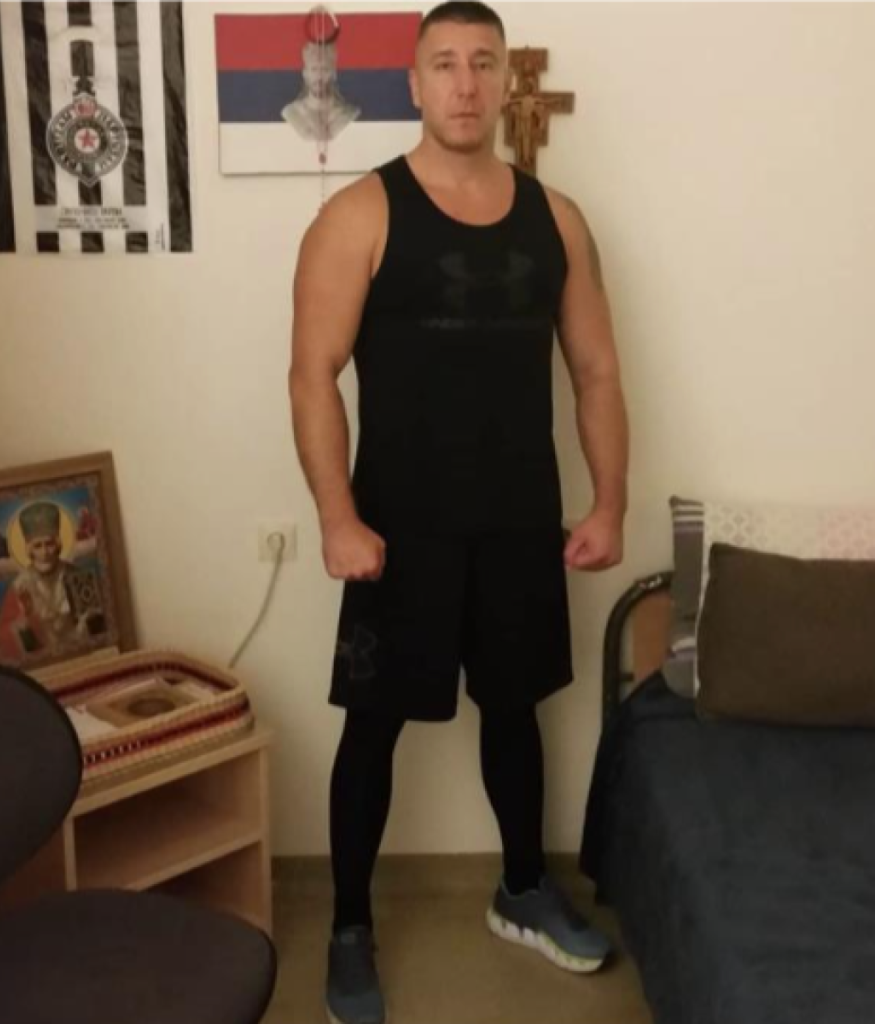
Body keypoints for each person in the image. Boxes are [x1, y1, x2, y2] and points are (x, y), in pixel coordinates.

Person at [288, 3, 629, 1022]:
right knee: (373, 726)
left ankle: (521, 887)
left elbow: (596, 370)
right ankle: (349, 926)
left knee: (516, 710)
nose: (466, 83)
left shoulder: (557, 218)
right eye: (445, 63)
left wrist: (608, 502)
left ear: (505, 78)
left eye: (484, 62)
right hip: (398, 530)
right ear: (414, 82)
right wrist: (337, 518)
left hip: (520, 518)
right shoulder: (359, 214)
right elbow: (312, 375)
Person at [0, 501, 101, 660]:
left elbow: (98, 629)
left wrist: (86, 624)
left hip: (81, 658)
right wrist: (25, 623)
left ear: (58, 544)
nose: (44, 552)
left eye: (49, 544)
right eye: (37, 546)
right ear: (29, 550)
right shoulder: (19, 586)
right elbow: (5, 638)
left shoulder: (78, 576)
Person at [282, 39, 361, 144]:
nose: (319, 77)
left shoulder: (348, 113)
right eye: (314, 69)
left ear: (334, 74)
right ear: (305, 74)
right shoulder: (291, 112)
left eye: (324, 70)